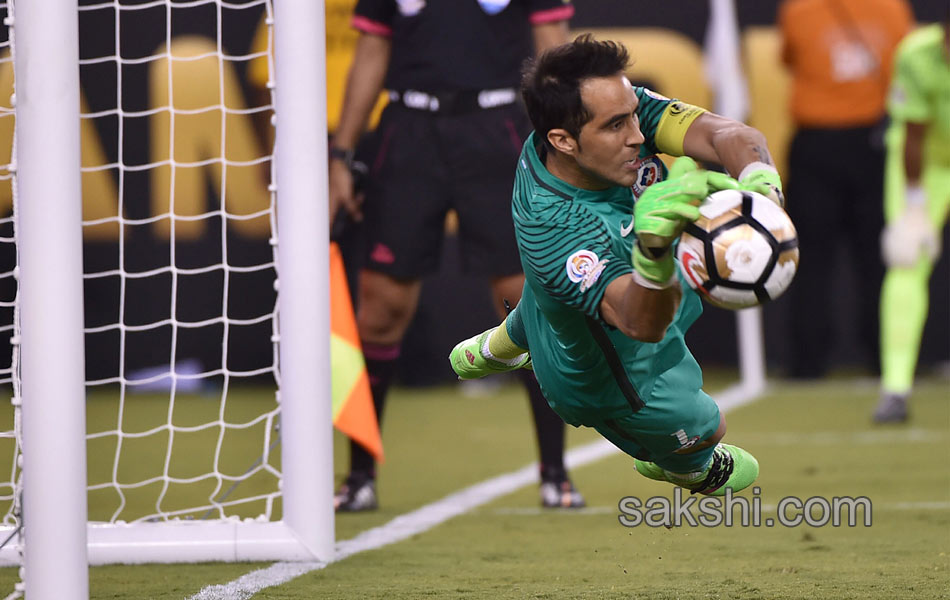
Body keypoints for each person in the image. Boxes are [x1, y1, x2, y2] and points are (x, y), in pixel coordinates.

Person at [449, 35, 786, 496]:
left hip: (575, 287)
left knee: (554, 296)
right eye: (616, 125)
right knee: (709, 430)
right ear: (563, 140)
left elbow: (730, 136)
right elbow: (637, 323)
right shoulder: (554, 226)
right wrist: (650, 248)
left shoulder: (605, 115)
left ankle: (503, 344)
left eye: (633, 113)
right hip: (607, 374)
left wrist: (763, 195)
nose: (637, 134)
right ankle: (687, 465)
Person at [329, 0, 584, 511]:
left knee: (525, 305)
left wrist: (568, 140)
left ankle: (554, 473)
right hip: (408, 132)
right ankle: (360, 477)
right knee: (380, 309)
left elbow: (554, 50)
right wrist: (341, 153)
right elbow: (372, 51)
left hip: (497, 130)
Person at [778, 0, 913, 379]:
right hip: (872, 143)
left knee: (810, 260)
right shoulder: (892, 8)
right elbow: (903, 66)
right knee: (876, 258)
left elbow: (791, 58)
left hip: (819, 141)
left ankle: (808, 361)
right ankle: (886, 356)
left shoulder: (798, 9)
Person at [873, 18, 950, 423]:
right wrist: (917, 205)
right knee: (907, 258)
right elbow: (915, 132)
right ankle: (896, 388)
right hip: (929, 165)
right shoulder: (918, 54)